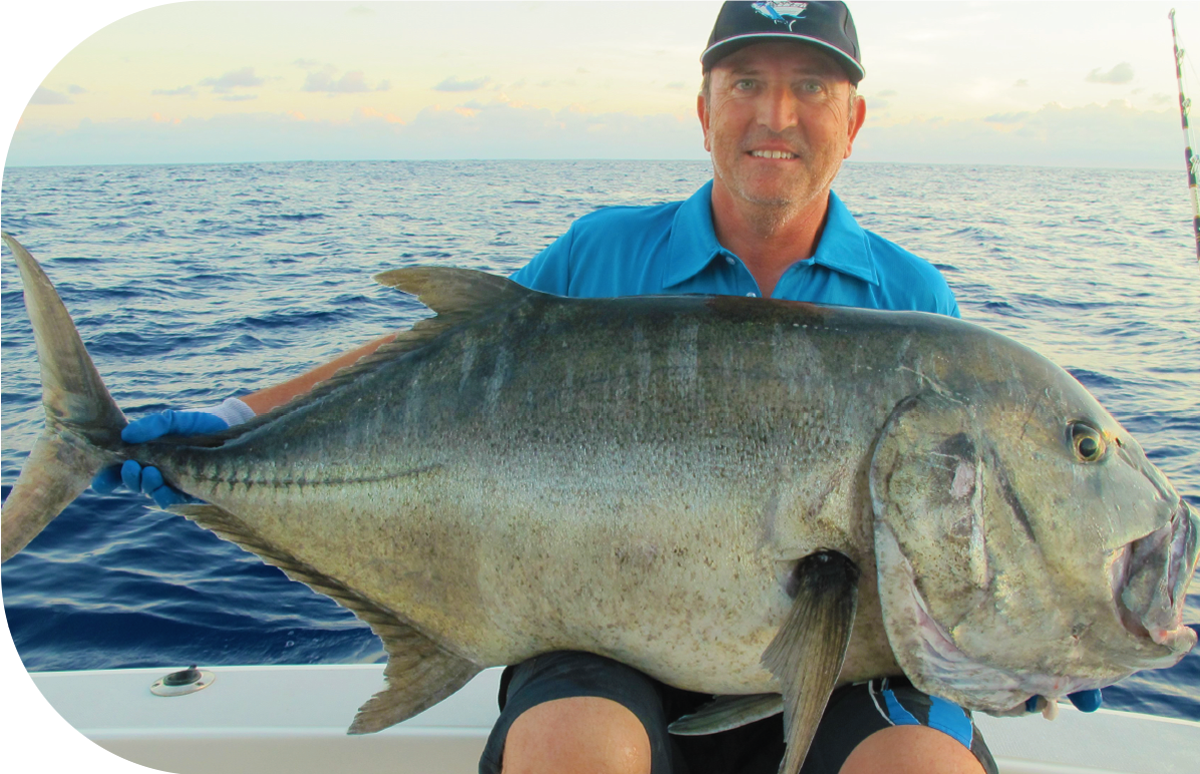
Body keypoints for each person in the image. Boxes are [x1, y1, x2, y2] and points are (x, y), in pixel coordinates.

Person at [95, 2, 1098, 772]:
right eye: (745, 81)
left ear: (856, 117)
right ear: (704, 107)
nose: (775, 115)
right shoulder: (604, 252)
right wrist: (235, 426)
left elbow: (963, 523)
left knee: (922, 765)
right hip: (597, 638)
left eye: (810, 88)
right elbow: (431, 362)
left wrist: (1044, 617)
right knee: (574, 751)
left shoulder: (911, 304)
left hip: (848, 668)